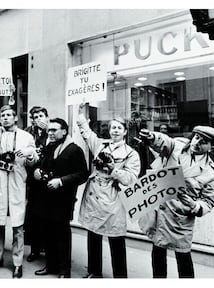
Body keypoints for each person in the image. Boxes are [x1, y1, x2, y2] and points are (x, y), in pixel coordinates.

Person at [138, 125, 214, 278]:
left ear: (212, 147)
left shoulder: (212, 172)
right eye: (196, 137)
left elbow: (208, 202)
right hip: (159, 210)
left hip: (180, 218)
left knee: (183, 257)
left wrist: (194, 205)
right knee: (157, 252)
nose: (196, 143)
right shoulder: (177, 146)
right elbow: (164, 141)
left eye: (203, 141)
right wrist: (152, 137)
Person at [76, 103, 140, 278]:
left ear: (125, 132)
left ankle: (120, 277)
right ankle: (94, 272)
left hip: (113, 199)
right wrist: (81, 113)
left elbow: (131, 179)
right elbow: (87, 133)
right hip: (94, 198)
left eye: (119, 128)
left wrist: (113, 169)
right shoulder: (101, 146)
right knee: (93, 236)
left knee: (116, 239)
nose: (115, 131)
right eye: (113, 128)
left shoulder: (131, 153)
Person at [0, 105, 38, 278]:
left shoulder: (26, 136)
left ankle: (17, 263)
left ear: (16, 118)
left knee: (18, 226)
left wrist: (29, 155)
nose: (5, 117)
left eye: (9, 115)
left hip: (17, 183)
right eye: (2, 115)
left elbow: (33, 161)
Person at [33, 118, 89, 278]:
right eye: (49, 130)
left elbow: (82, 174)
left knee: (62, 236)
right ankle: (50, 266)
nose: (50, 133)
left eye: (54, 130)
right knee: (48, 234)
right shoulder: (49, 147)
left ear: (64, 131)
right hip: (46, 198)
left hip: (63, 200)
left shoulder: (74, 150)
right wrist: (37, 171)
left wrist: (61, 181)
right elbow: (42, 166)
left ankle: (65, 271)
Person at [24, 106, 49, 262]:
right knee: (32, 214)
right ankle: (34, 249)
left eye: (41, 115)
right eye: (35, 117)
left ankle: (46, 246)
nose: (38, 119)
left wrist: (47, 131)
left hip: (47, 177)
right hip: (31, 177)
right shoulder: (27, 132)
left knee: (46, 213)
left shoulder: (52, 130)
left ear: (46, 117)